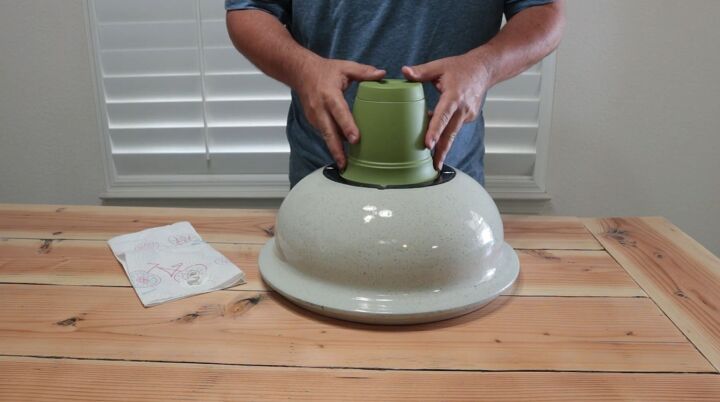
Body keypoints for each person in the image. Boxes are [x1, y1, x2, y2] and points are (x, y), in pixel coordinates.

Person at [226, 0, 565, 187]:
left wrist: (484, 68)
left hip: (448, 175)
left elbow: (544, 10)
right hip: (323, 174)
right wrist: (303, 69)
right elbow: (249, 8)